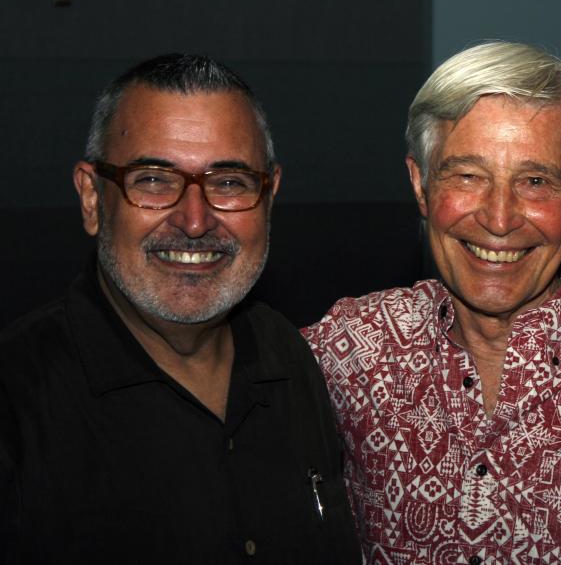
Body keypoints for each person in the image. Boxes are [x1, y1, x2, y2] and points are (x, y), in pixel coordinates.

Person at [303, 41, 561, 563]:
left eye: (535, 182)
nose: (500, 217)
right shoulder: (349, 350)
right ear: (420, 184)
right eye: (468, 176)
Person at [0, 54, 359, 563]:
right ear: (91, 199)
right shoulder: (17, 403)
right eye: (153, 180)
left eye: (229, 182)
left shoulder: (290, 357)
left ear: (269, 197)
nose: (195, 221)